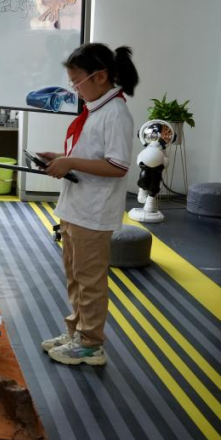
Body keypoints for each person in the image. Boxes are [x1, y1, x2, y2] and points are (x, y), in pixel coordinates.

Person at [38, 43, 138, 367]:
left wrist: (70, 162)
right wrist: (62, 157)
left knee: (90, 281)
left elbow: (118, 166)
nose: (75, 89)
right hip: (76, 207)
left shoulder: (116, 113)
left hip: (94, 212)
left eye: (77, 81)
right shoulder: (96, 109)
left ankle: (91, 343)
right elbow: (91, 154)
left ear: (100, 77)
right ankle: (76, 332)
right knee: (76, 276)